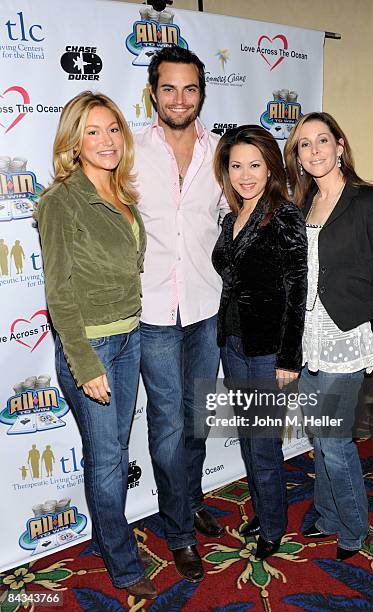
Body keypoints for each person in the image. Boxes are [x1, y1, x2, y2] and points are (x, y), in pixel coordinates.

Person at [37, 92, 156, 598]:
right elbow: (59, 293)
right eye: (92, 131)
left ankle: (111, 537)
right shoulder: (61, 201)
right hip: (93, 349)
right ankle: (123, 564)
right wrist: (84, 363)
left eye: (112, 129)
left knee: (112, 452)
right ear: (73, 141)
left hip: (130, 338)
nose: (106, 140)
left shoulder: (120, 192)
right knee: (106, 460)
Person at [284, 112, 373, 561]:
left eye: (322, 140)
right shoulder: (301, 206)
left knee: (334, 442)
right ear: (296, 157)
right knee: (320, 434)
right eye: (303, 145)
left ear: (339, 145)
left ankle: (353, 529)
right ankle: (328, 514)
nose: (314, 151)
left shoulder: (371, 201)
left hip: (345, 337)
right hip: (308, 338)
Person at [133, 46, 229, 582]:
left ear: (201, 94)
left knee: (195, 420)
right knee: (168, 423)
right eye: (168, 88)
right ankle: (179, 533)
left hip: (206, 305)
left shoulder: (221, 153)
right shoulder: (130, 150)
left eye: (189, 88)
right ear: (153, 92)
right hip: (150, 310)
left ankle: (189, 501)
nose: (179, 98)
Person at [212, 125, 307, 561]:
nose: (246, 175)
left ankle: (273, 526)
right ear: (226, 170)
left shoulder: (283, 214)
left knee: (264, 441)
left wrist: (289, 356)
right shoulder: (233, 216)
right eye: (236, 166)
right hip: (233, 342)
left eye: (255, 165)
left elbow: (296, 287)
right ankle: (265, 508)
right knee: (249, 437)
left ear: (270, 167)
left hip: (268, 350)